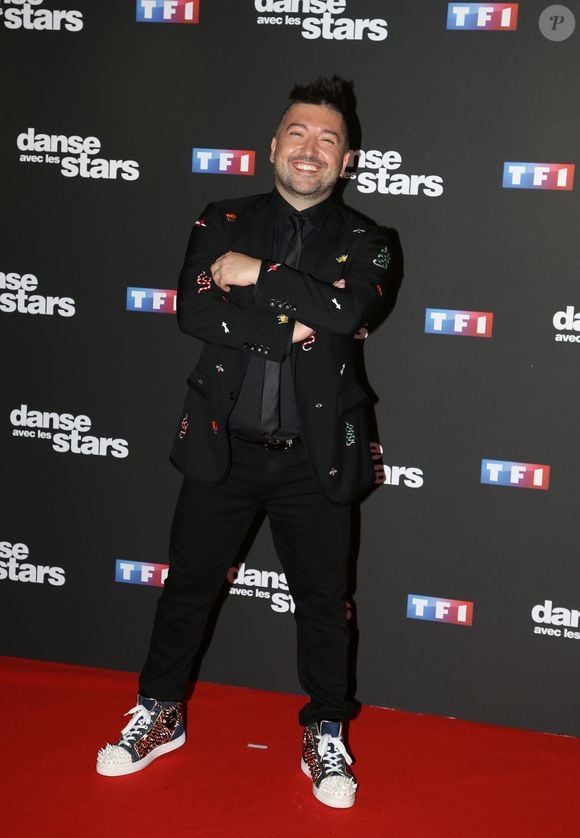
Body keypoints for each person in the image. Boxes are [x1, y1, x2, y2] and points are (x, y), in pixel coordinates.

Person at [97, 76, 395, 810]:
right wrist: (291, 324)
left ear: (347, 161)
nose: (310, 148)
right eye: (298, 132)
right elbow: (195, 313)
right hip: (221, 448)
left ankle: (326, 728)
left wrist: (257, 275)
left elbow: (349, 310)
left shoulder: (371, 241)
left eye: (328, 139)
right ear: (272, 146)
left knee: (323, 602)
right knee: (187, 587)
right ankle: (160, 711)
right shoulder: (222, 217)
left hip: (315, 458)